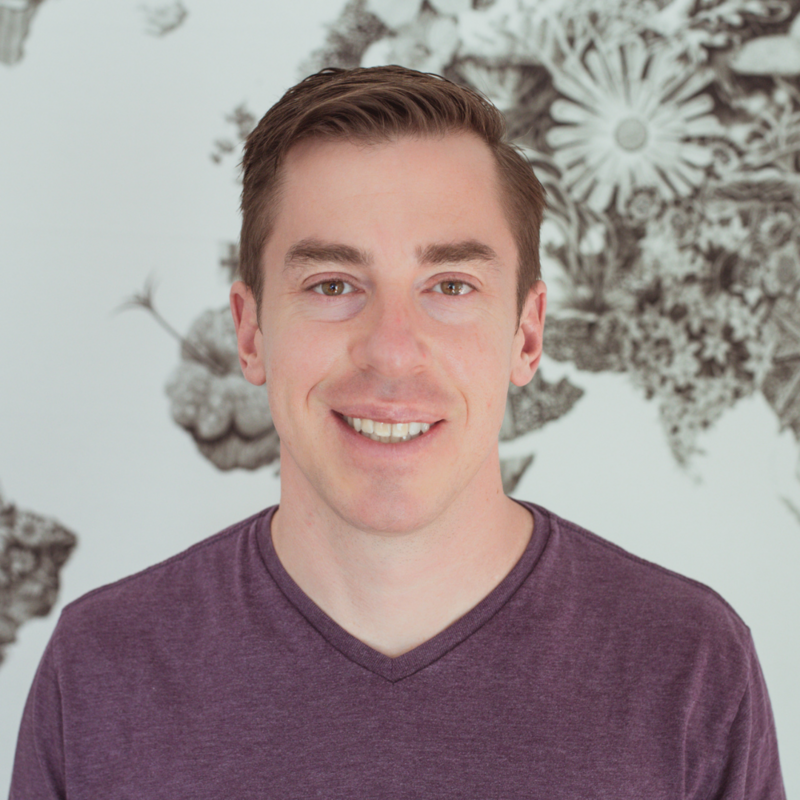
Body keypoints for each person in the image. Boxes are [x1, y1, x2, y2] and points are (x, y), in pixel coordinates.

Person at [10, 65, 785, 799]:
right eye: (332, 285)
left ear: (526, 334)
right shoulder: (101, 668)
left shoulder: (687, 665)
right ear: (249, 332)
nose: (391, 350)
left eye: (450, 285)